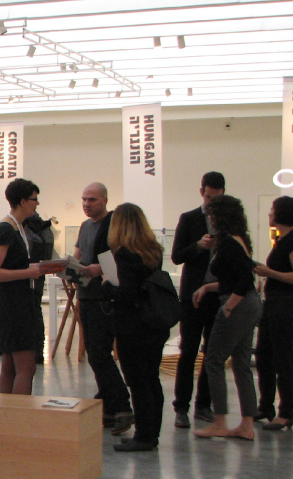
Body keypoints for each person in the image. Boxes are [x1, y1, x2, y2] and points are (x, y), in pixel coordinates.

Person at [193, 195, 263, 442]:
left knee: (213, 361)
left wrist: (229, 307)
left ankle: (220, 421)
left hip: (239, 305)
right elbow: (235, 279)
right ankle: (246, 425)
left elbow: (244, 281)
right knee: (241, 365)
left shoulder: (229, 244)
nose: (210, 219)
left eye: (212, 214)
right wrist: (207, 288)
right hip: (250, 304)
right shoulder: (240, 240)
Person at [101, 204, 170, 452]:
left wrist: (107, 286)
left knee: (138, 382)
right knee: (151, 379)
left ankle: (143, 436)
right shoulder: (153, 251)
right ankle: (152, 433)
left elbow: (126, 295)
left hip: (132, 326)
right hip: (154, 323)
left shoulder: (124, 254)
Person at [0, 179, 59, 395]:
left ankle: (8, 412)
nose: (37, 204)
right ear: (23, 201)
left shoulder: (17, 228)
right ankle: (19, 413)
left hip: (16, 303)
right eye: (35, 199)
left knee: (11, 366)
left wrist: (33, 268)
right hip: (12, 306)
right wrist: (28, 272)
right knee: (26, 368)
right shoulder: (5, 229)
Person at [74, 183, 133, 434]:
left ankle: (121, 406)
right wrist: (70, 267)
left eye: (92, 199)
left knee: (100, 353)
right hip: (86, 295)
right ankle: (109, 405)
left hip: (104, 297)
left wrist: (99, 269)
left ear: (105, 200)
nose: (87, 204)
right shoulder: (85, 226)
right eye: (84, 199)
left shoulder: (113, 225)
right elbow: (78, 256)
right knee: (94, 354)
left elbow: (123, 258)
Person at [171, 171, 226, 428]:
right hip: (192, 296)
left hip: (218, 295)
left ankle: (204, 404)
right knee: (188, 351)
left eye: (217, 198)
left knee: (212, 353)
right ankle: (181, 406)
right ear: (201, 192)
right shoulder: (189, 218)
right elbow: (176, 255)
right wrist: (198, 246)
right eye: (208, 197)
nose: (211, 202)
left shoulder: (228, 221)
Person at [254, 196, 293, 430]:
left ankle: (286, 412)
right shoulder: (281, 240)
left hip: (286, 305)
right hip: (274, 303)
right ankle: (265, 405)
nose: (269, 214)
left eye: (272, 210)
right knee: (264, 355)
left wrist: (270, 273)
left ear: (280, 214)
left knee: (282, 357)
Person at [25, 211, 57, 363]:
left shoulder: (24, 228)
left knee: (25, 312)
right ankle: (39, 350)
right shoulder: (45, 228)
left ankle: (27, 350)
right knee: (36, 310)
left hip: (25, 274)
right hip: (40, 273)